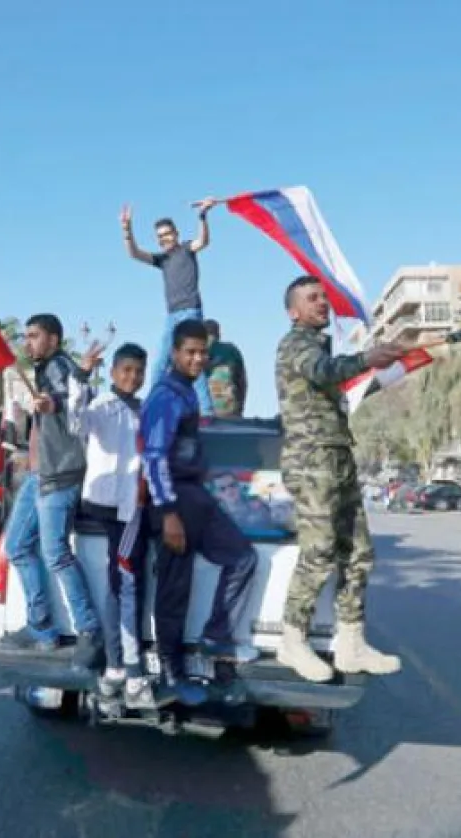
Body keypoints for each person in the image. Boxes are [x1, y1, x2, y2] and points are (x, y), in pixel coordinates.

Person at [274, 275, 415, 683]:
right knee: (318, 552)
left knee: (358, 553)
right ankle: (292, 638)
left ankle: (351, 643)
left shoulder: (319, 344)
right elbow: (323, 371)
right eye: (311, 298)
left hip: (337, 456)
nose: (322, 303)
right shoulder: (295, 344)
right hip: (312, 460)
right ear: (293, 311)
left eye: (323, 297)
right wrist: (367, 359)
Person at [141, 319, 258, 705]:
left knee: (242, 557)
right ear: (175, 353)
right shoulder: (165, 395)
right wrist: (168, 513)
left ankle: (216, 635)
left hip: (197, 496)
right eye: (189, 352)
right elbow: (154, 458)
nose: (197, 358)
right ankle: (172, 673)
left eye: (202, 352)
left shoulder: (190, 392)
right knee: (175, 591)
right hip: (173, 501)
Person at [0, 314, 106, 670]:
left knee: (56, 554)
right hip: (38, 474)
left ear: (55, 340)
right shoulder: (46, 367)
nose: (28, 342)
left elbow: (70, 395)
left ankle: (90, 631)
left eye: (35, 336)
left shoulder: (59, 367)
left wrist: (54, 401)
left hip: (59, 475)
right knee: (16, 546)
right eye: (26, 336)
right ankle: (42, 627)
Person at [79, 342, 156, 710]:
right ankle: (132, 670)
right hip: (117, 509)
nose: (132, 377)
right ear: (112, 373)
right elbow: (74, 421)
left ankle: (114, 668)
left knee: (120, 586)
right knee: (126, 585)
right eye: (126, 370)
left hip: (135, 506)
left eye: (138, 372)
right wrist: (81, 375)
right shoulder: (100, 407)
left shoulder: (144, 410)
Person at [121, 199, 217, 417]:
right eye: (160, 237)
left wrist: (203, 217)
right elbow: (134, 254)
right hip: (172, 316)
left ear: (176, 233)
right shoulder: (162, 260)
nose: (164, 239)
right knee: (161, 363)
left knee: (192, 360)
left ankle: (207, 412)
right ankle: (154, 407)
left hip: (190, 312)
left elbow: (203, 241)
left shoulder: (186, 249)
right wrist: (127, 230)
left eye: (167, 234)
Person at [203, 319, 247, 418]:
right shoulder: (231, 350)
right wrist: (240, 408)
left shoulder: (198, 352)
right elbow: (242, 382)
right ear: (218, 334)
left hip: (204, 413)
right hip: (229, 409)